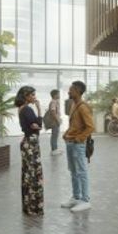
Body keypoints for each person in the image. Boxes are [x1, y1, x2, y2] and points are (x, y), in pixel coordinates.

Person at [61, 80, 94, 212]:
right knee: (73, 171)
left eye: (71, 90)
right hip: (71, 142)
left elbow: (90, 127)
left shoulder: (83, 107)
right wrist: (66, 134)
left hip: (77, 144)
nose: (69, 92)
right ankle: (76, 197)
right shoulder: (74, 104)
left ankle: (85, 200)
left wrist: (79, 139)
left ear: (78, 91)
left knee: (81, 171)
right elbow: (74, 124)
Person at [14, 86, 43, 216]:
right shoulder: (27, 109)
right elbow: (37, 126)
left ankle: (28, 206)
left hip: (27, 142)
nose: (34, 97)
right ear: (25, 96)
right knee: (32, 175)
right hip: (31, 143)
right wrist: (40, 110)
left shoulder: (21, 109)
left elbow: (35, 126)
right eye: (32, 95)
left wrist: (37, 125)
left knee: (28, 173)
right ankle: (33, 207)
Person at [44, 88, 62, 155]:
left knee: (55, 135)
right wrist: (58, 120)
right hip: (54, 122)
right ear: (55, 95)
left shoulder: (55, 101)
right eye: (58, 94)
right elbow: (53, 112)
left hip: (55, 121)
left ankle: (55, 149)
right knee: (54, 135)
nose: (59, 95)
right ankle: (54, 150)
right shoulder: (53, 102)